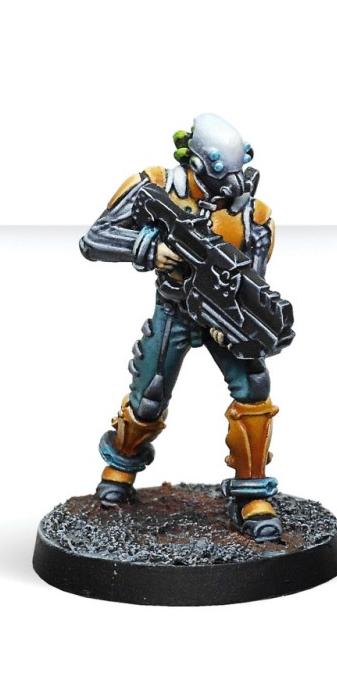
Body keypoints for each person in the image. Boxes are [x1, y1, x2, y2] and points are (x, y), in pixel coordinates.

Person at [79, 114, 282, 541]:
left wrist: (239, 323)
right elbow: (94, 240)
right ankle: (120, 466)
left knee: (254, 386)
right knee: (149, 395)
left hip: (220, 314)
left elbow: (254, 282)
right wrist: (149, 247)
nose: (230, 186)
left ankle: (252, 495)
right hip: (174, 307)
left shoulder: (253, 216)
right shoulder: (154, 186)